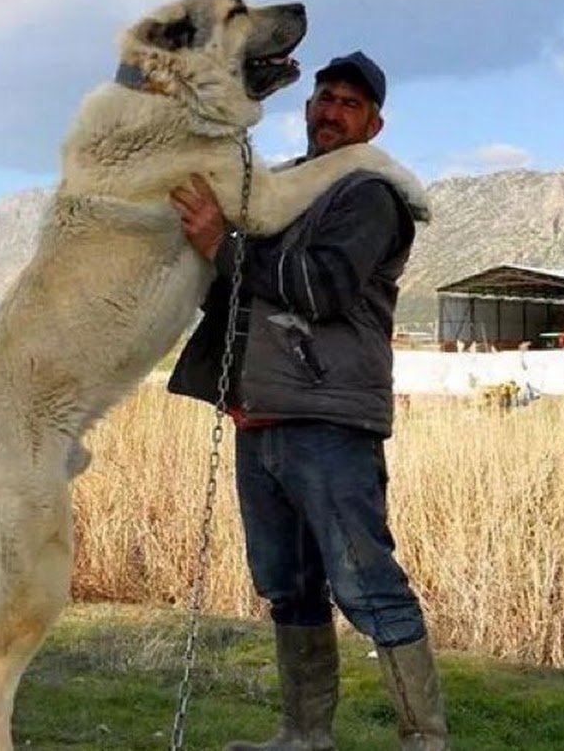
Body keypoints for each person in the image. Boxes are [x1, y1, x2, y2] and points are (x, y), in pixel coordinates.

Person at [168, 52, 448, 750]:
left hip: (330, 421)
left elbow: (323, 285)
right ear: (306, 108)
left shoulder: (366, 196)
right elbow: (233, 288)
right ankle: (302, 736)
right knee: (287, 587)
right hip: (259, 415)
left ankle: (425, 740)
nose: (331, 111)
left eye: (350, 104)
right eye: (324, 97)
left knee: (367, 586)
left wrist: (225, 247)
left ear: (374, 124)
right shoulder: (283, 187)